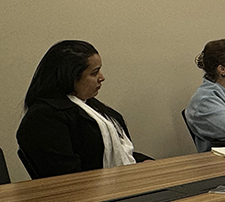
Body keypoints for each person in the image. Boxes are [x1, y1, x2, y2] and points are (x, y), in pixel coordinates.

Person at [17, 40, 140, 178]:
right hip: (83, 193)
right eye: (94, 73)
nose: (102, 78)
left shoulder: (90, 105)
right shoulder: (44, 118)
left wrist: (145, 164)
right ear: (70, 77)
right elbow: (66, 175)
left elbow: (119, 153)